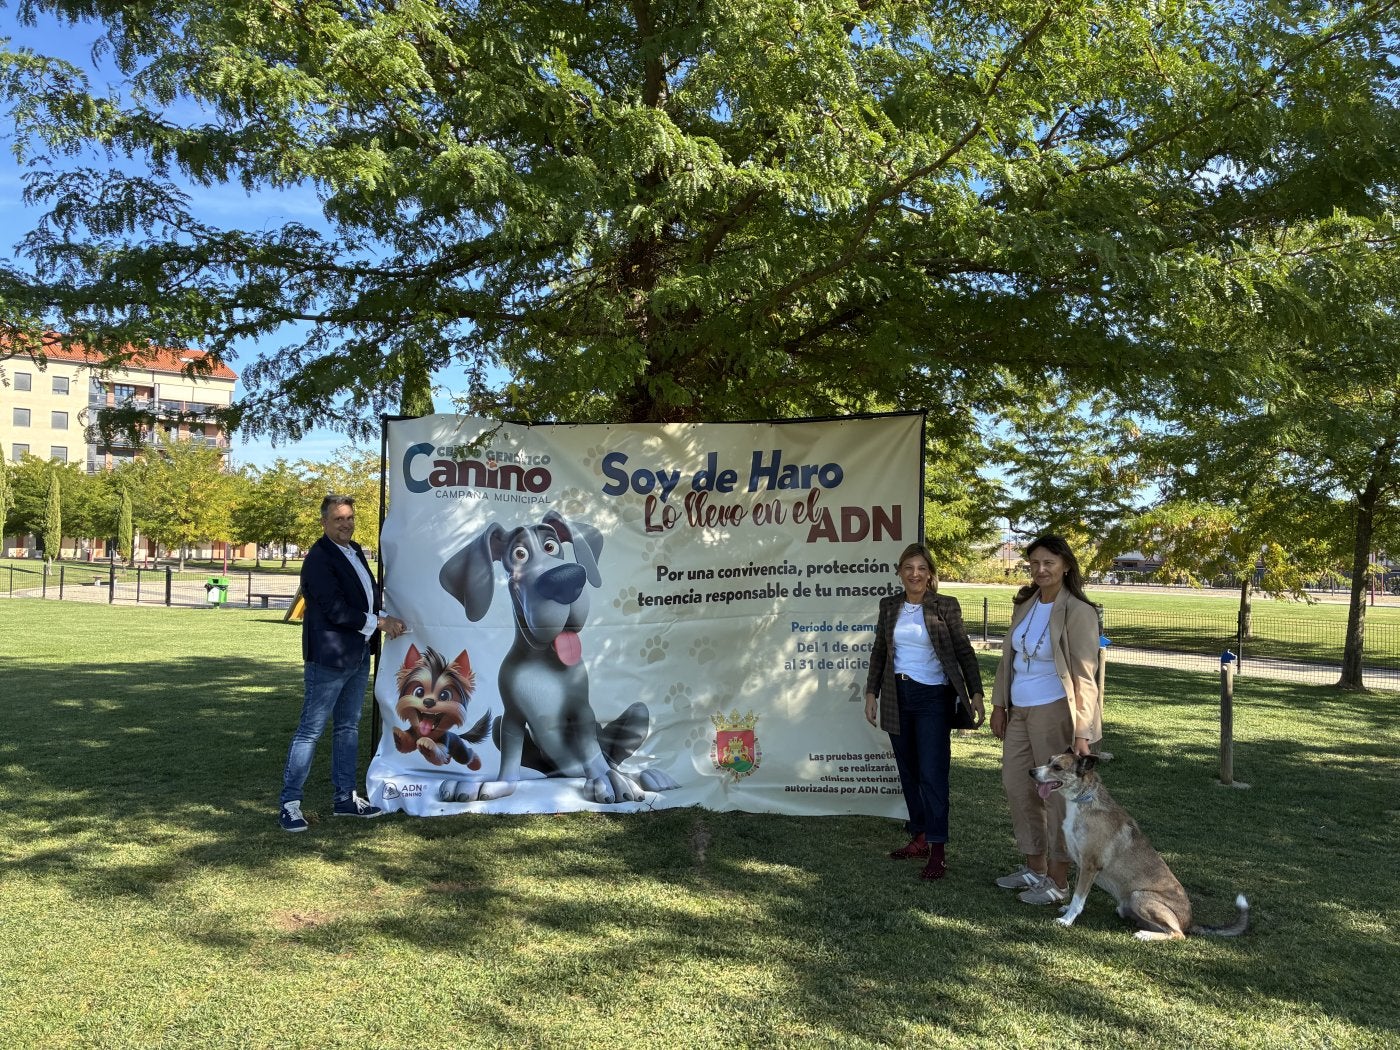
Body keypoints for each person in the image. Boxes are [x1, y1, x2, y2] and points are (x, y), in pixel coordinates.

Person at [278, 494, 406, 832]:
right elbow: (335, 609)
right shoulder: (319, 559)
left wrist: (382, 616)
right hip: (329, 657)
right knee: (310, 731)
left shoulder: (356, 550)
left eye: (349, 518)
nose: (346, 524)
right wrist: (379, 623)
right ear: (324, 522)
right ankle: (289, 804)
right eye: (338, 519)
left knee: (348, 728)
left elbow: (361, 599)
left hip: (359, 653)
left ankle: (345, 798)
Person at [989, 534, 1103, 904]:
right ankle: (1034, 869)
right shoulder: (1026, 604)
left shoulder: (1079, 611)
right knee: (1018, 786)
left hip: (1054, 712)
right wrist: (999, 705)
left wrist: (1083, 731)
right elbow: (1009, 660)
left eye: (1049, 563)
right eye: (1034, 563)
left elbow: (1086, 676)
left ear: (1066, 566)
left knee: (1055, 797)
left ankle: (1057, 881)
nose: (1041, 569)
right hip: (1018, 710)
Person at [864, 543, 986, 880]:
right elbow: (879, 652)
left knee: (932, 774)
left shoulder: (944, 606)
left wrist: (975, 692)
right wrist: (871, 692)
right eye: (908, 568)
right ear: (900, 572)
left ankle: (938, 849)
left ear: (930, 573)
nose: (915, 574)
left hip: (932, 697)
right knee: (909, 772)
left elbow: (964, 651)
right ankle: (918, 836)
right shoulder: (889, 606)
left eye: (921, 568)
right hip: (895, 696)